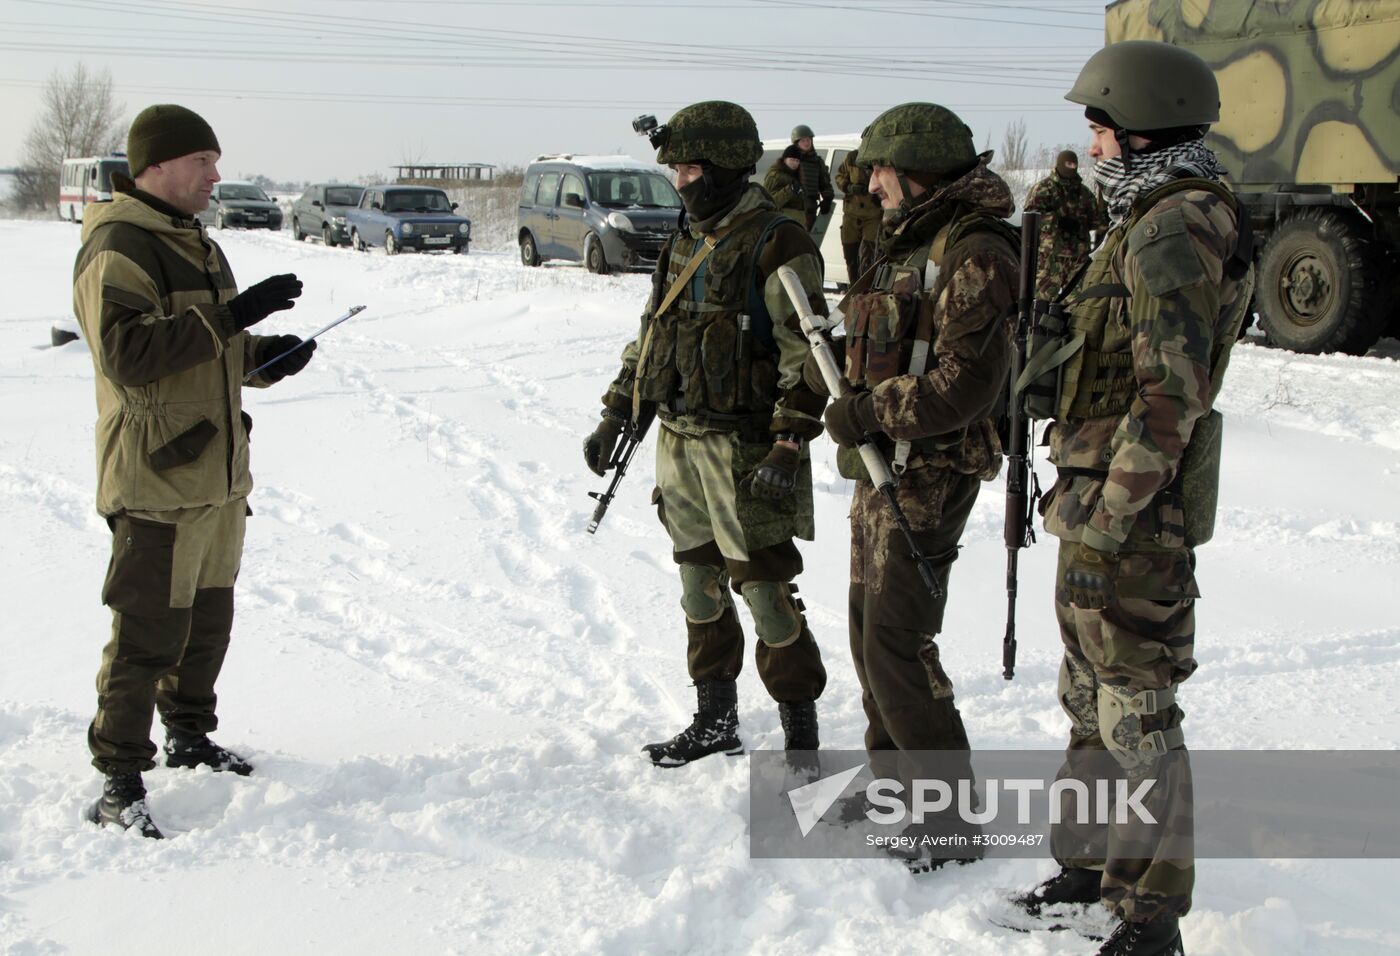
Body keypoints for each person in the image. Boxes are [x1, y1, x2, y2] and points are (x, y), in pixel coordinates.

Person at [1010, 40, 1253, 956]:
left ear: (1144, 125)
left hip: (1131, 518)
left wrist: (1112, 520)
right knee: (1089, 700)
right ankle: (1087, 867)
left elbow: (1169, 400)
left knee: (1138, 713)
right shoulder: (1145, 215)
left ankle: (1150, 916)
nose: (1094, 145)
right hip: (1096, 505)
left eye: (1103, 127)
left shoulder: (1172, 227)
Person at [73, 104, 316, 838]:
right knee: (147, 631)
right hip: (154, 479)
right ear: (156, 166)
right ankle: (117, 780)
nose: (215, 175)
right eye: (202, 161)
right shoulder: (120, 245)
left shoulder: (198, 245)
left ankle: (188, 735)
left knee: (207, 623)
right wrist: (233, 317)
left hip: (215, 474)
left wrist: (265, 357)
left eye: (215, 161)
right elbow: (129, 356)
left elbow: (210, 351)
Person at [584, 101, 830, 767]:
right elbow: (653, 332)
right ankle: (715, 720)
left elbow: (808, 357)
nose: (682, 181)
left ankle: (802, 744)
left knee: (769, 595)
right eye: (675, 169)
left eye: (692, 167)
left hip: (745, 450)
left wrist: (788, 443)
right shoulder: (684, 240)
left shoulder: (778, 240)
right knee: (698, 588)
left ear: (726, 165)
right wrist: (617, 409)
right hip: (680, 442)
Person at [809, 102, 1018, 863]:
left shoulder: (975, 252)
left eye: (882, 171)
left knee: (899, 640)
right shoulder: (911, 239)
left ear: (916, 169)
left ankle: (948, 821)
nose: (872, 184)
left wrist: (867, 408)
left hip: (927, 470)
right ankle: (891, 782)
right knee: (869, 634)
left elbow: (966, 386)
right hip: (882, 463)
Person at [1023, 149, 1106, 299]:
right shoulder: (1044, 188)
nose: (1072, 167)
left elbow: (1097, 223)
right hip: (1050, 258)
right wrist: (1057, 221)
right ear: (1060, 164)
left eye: (1074, 164)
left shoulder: (1084, 193)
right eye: (1068, 163)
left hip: (1077, 259)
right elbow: (1030, 218)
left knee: (1077, 302)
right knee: (1042, 301)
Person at [834, 147, 881, 284]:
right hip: (851, 214)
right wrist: (848, 187)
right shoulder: (852, 157)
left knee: (870, 255)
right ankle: (853, 287)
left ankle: (867, 287)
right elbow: (839, 177)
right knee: (851, 255)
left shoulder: (881, 158)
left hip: (873, 214)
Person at [790, 124, 834, 231]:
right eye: (803, 141)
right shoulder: (790, 161)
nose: (806, 143)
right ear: (796, 143)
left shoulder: (817, 162)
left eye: (808, 140)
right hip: (793, 209)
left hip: (810, 209)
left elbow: (825, 184)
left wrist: (827, 199)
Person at [763, 145, 807, 223]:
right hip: (782, 223)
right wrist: (790, 189)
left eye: (797, 161)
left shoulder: (796, 175)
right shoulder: (775, 176)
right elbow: (769, 203)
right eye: (792, 159)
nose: (795, 163)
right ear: (784, 159)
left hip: (796, 221)